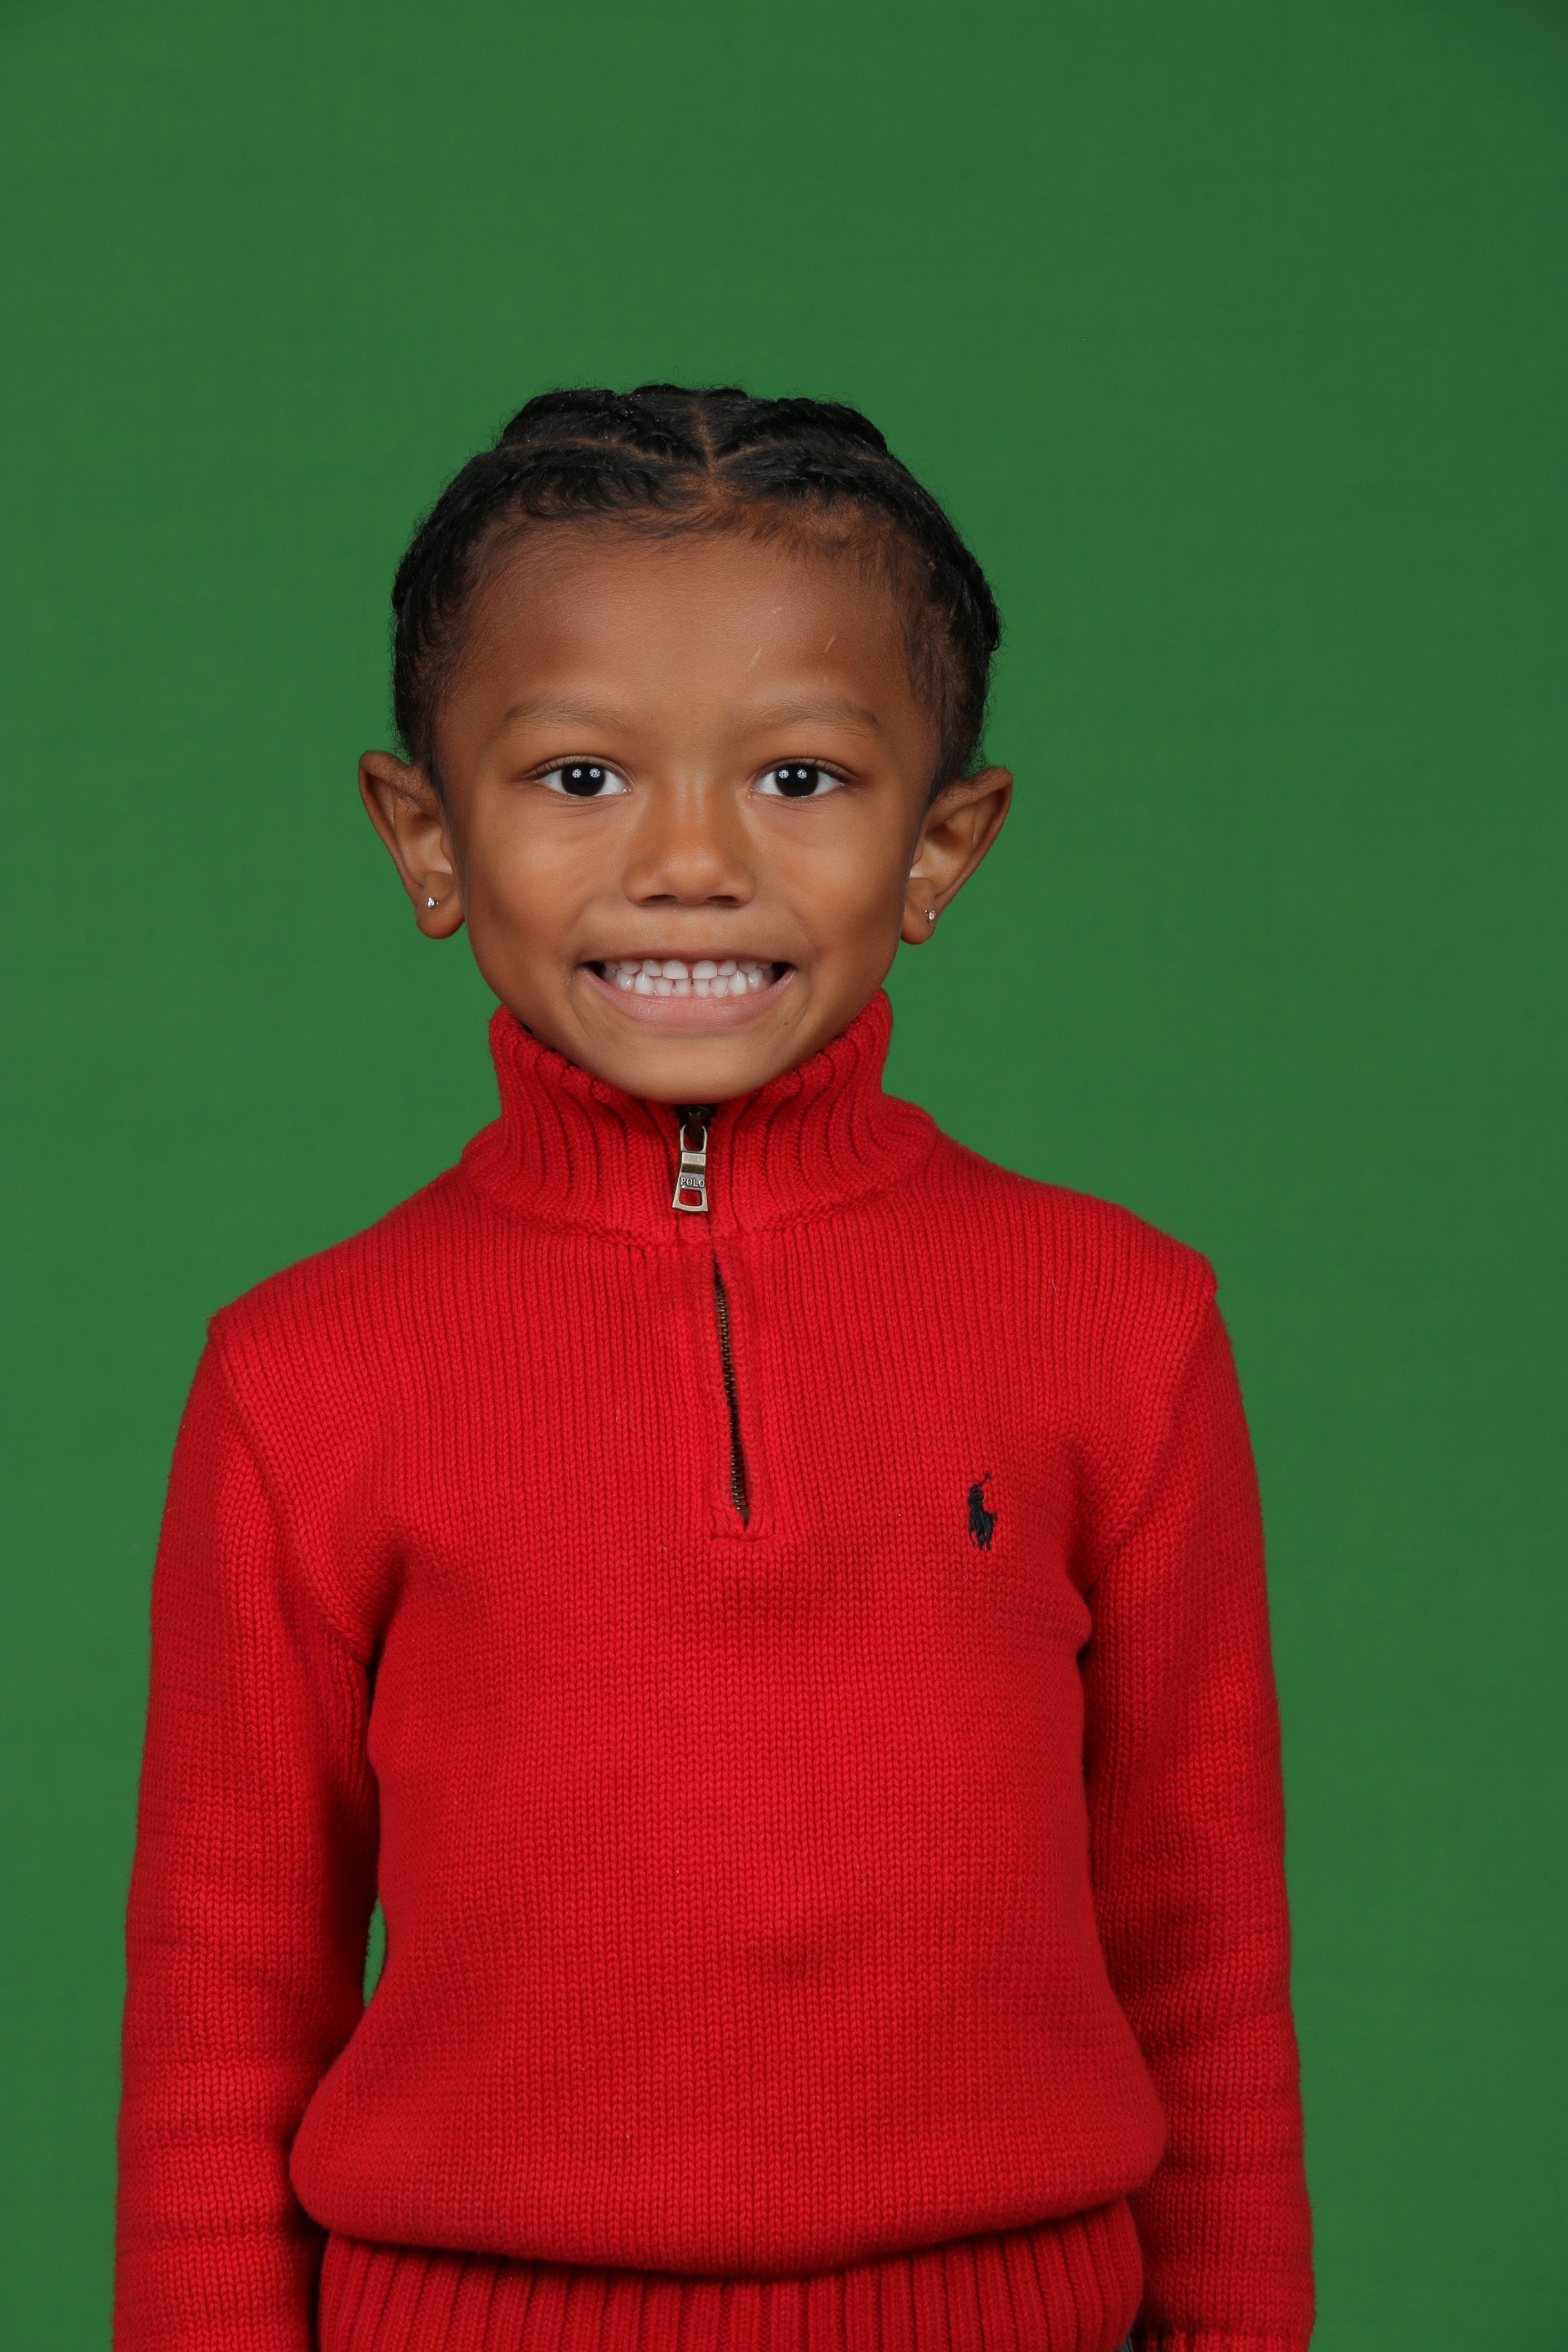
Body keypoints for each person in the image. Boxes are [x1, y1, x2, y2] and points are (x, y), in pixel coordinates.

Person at [115, 386, 1314, 2352]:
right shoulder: (299, 1376)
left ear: (943, 846)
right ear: (425, 835)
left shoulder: (1124, 1323)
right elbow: (221, 2011)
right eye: (581, 776)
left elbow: (1202, 1947)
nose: (690, 861)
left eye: (802, 777)